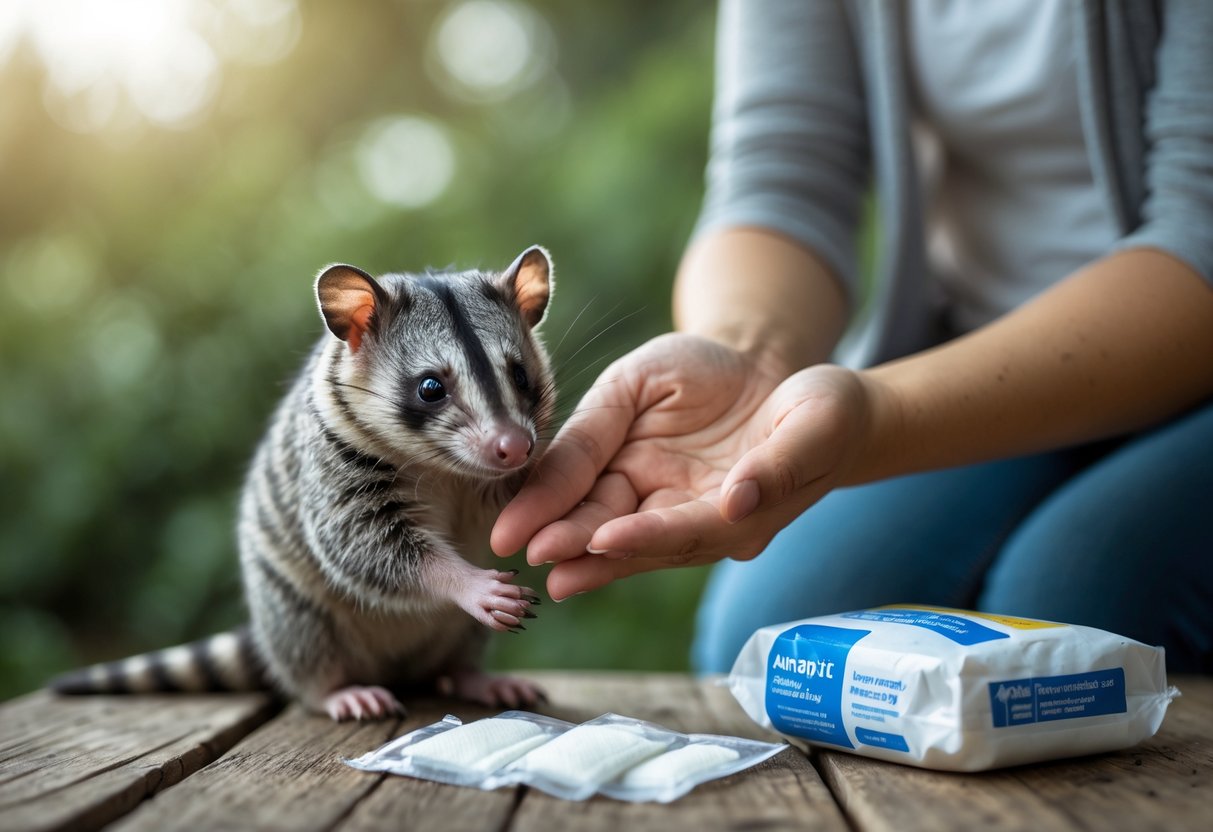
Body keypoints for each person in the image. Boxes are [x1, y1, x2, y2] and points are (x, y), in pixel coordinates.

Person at [491, 0, 1213, 674]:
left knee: (1083, 597)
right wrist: (748, 354)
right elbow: (781, 173)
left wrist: (871, 418)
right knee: (778, 634)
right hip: (976, 343)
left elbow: (1200, 229)